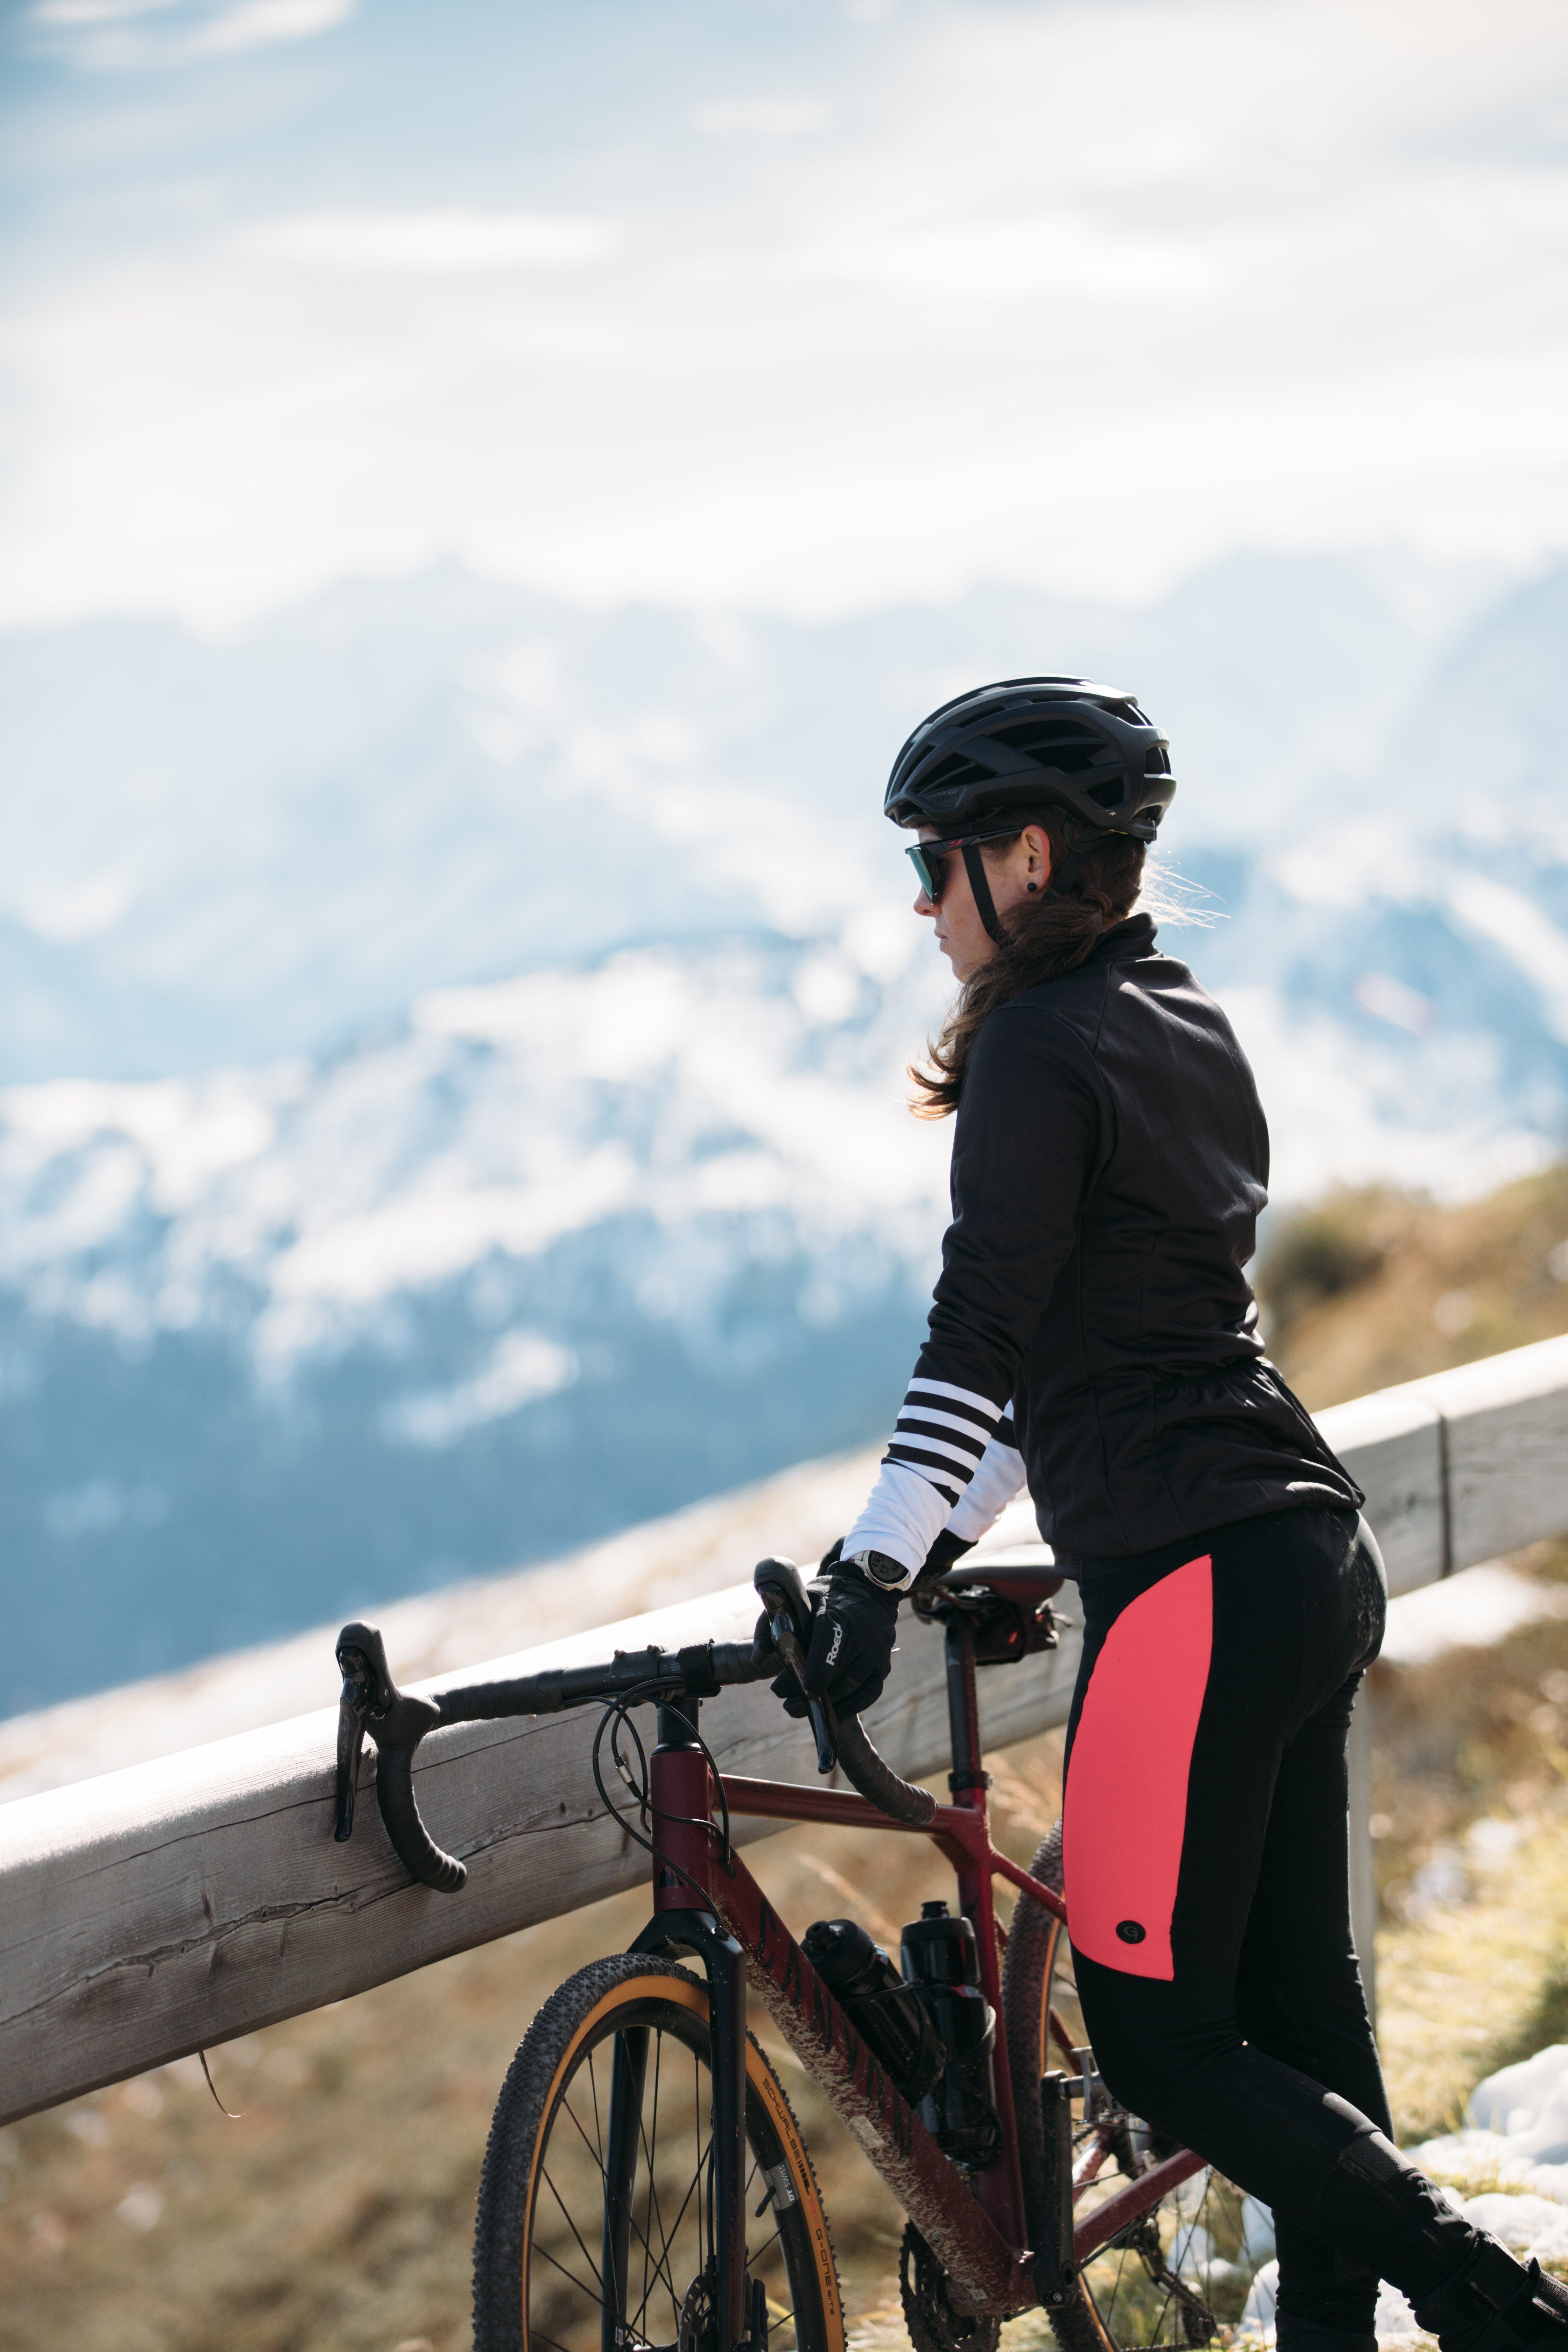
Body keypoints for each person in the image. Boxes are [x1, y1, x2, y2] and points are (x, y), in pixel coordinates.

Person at [758, 677, 1568, 2352]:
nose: (921, 901)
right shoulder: (1178, 1012)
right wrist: (934, 1539)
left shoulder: (1039, 1053)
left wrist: (870, 1572)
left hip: (1196, 1584)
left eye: (938, 861)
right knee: (1302, 2013)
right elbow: (1085, 1351)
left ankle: (1491, 2306)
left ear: (1027, 855)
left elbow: (979, 1337)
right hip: (1304, 1552)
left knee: (1160, 2046)